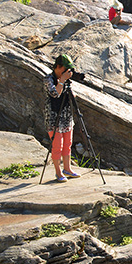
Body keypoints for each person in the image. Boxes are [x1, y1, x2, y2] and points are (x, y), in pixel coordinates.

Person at [44, 54, 81, 182]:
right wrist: (61, 81)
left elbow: (72, 96)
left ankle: (67, 169)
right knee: (57, 147)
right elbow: (55, 94)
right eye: (65, 69)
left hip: (66, 116)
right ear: (58, 67)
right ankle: (58, 173)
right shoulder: (48, 79)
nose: (67, 72)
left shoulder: (65, 80)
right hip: (54, 118)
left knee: (67, 145)